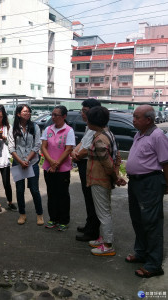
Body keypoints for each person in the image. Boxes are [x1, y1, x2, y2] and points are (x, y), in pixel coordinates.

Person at [126, 105, 168, 278]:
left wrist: (166, 185)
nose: (133, 120)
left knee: (152, 223)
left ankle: (153, 264)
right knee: (138, 220)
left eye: (137, 117)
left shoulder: (158, 136)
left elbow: (166, 163)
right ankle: (141, 252)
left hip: (150, 183)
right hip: (135, 183)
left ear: (148, 120)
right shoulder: (139, 134)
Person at [86, 106, 126, 256]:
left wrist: (115, 178)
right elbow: (117, 156)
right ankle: (104, 239)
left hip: (100, 179)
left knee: (103, 212)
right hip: (102, 179)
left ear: (92, 121)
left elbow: (107, 162)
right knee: (104, 210)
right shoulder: (107, 133)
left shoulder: (100, 139)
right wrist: (116, 174)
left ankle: (108, 245)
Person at [71, 99, 101, 242]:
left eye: (85, 111)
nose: (82, 114)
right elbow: (82, 143)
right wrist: (74, 152)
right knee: (87, 198)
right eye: (82, 111)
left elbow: (87, 150)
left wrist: (76, 154)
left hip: (91, 167)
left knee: (92, 200)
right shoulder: (89, 127)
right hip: (83, 165)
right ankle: (89, 225)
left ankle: (93, 231)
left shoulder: (98, 129)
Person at [41, 106, 75, 232]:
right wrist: (50, 162)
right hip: (48, 168)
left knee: (63, 195)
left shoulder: (69, 131)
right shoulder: (48, 129)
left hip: (63, 169)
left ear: (64, 116)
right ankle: (53, 218)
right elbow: (43, 147)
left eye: (56, 115)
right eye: (52, 115)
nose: (53, 117)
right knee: (51, 193)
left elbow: (68, 149)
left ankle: (64, 220)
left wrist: (57, 164)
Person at [8, 104, 44, 225]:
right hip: (17, 163)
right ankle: (22, 214)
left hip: (32, 162)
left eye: (28, 111)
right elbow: (11, 147)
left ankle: (39, 214)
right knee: (19, 190)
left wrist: (27, 160)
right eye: (24, 111)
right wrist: (20, 161)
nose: (27, 113)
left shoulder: (35, 127)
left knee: (34, 190)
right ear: (18, 114)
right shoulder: (13, 128)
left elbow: (37, 145)